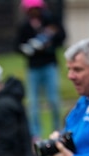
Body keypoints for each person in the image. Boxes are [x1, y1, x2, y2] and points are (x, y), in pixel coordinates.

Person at [15, 0, 66, 138]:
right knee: (33, 103)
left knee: (54, 100)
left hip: (49, 65)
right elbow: (17, 45)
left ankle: (58, 129)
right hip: (33, 68)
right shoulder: (25, 26)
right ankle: (35, 133)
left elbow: (62, 37)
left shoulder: (51, 22)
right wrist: (27, 49)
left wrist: (49, 44)